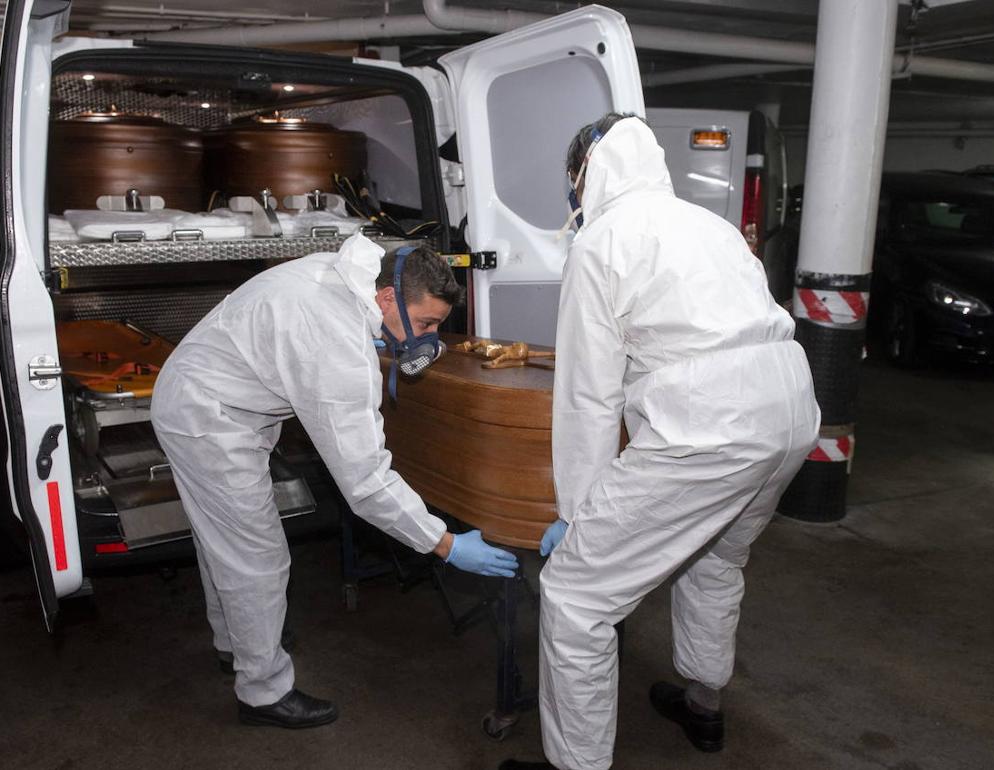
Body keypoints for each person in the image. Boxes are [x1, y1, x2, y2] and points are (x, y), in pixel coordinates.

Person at [501, 114, 820, 769]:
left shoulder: (602, 240)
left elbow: (591, 394)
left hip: (712, 425)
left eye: (572, 183)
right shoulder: (711, 225)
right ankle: (703, 706)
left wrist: (578, 515)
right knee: (715, 557)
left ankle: (577, 764)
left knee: (575, 596)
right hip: (790, 402)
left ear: (586, 173)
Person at [151, 234, 519, 730]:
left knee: (224, 543)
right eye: (428, 323)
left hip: (211, 392)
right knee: (257, 556)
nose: (428, 336)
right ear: (388, 298)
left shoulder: (351, 276)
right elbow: (365, 482)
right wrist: (444, 542)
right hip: (208, 417)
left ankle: (235, 644)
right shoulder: (333, 335)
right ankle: (262, 692)